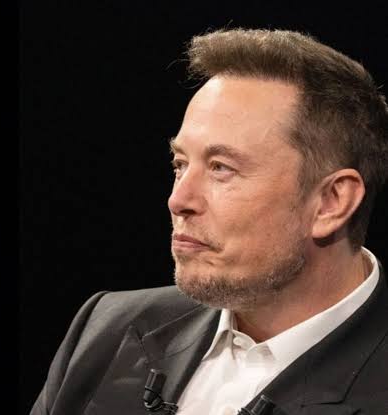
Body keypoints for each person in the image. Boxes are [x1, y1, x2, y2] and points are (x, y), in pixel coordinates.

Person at [32, 28, 388, 414]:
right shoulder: (106, 330)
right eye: (180, 164)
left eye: (221, 168)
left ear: (331, 202)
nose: (178, 200)